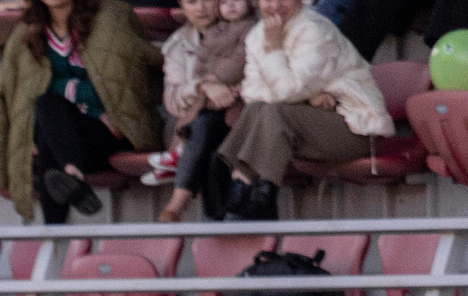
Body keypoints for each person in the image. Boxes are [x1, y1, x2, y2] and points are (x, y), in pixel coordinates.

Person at [217, 0, 392, 221]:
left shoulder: (315, 30)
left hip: (354, 129)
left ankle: (254, 194)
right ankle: (254, 195)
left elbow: (286, 92)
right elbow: (252, 94)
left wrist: (274, 50)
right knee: (260, 110)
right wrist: (307, 99)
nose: (276, 5)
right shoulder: (256, 35)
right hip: (300, 128)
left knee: (272, 112)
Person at [0, 0, 165, 224]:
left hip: (114, 133)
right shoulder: (26, 33)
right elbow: (19, 98)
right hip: (66, 133)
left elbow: (128, 82)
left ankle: (54, 234)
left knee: (49, 143)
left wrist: (85, 101)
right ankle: (73, 175)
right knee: (46, 106)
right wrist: (86, 100)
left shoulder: (112, 16)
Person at [153, 0, 256, 221]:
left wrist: (231, 92)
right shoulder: (178, 43)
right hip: (193, 124)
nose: (200, 8)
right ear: (181, 6)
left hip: (241, 118)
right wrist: (203, 87)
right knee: (209, 135)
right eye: (191, 2)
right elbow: (172, 101)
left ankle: (178, 203)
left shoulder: (249, 30)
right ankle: (224, 229)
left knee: (210, 130)